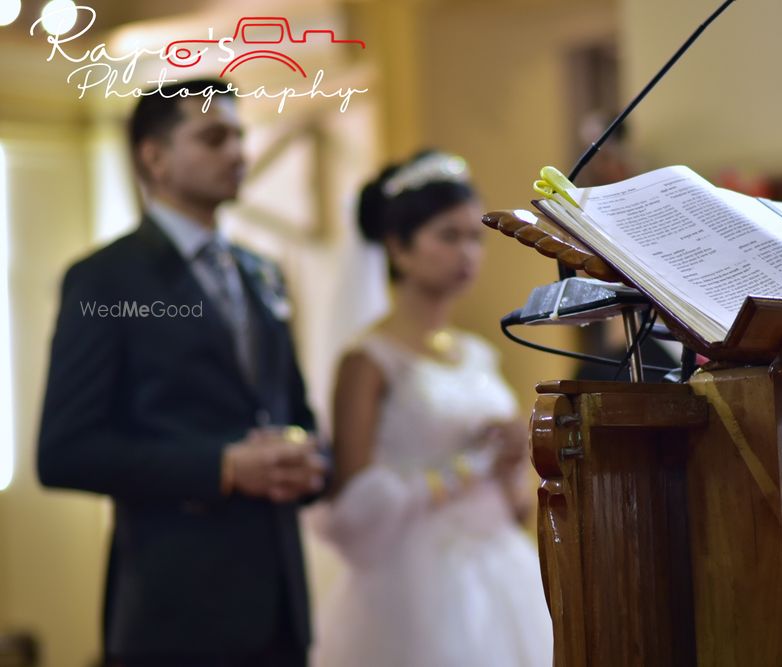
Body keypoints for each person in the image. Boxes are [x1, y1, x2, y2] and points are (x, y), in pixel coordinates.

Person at [36, 79, 327, 666]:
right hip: (176, 608)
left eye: (241, 137)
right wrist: (220, 467)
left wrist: (307, 456)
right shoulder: (105, 280)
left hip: (279, 602)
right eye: (215, 138)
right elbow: (64, 450)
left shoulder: (261, 273)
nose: (239, 154)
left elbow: (292, 409)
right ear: (155, 157)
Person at [307, 151, 553, 667]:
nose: (467, 253)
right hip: (414, 579)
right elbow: (352, 508)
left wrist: (512, 460)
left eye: (474, 237)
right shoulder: (369, 360)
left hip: (501, 564)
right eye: (448, 236)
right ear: (398, 247)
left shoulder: (477, 355)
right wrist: (468, 465)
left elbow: (514, 501)